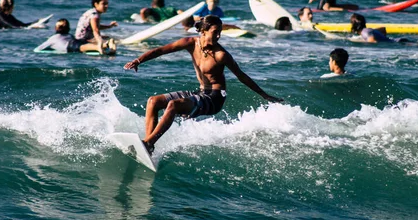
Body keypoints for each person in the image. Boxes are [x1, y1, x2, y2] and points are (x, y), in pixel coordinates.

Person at [123, 15, 282, 152]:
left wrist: (264, 95)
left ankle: (148, 143)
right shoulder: (190, 43)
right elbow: (161, 50)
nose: (218, 36)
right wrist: (139, 60)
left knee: (173, 105)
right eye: (215, 32)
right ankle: (148, 145)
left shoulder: (221, 55)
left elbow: (241, 76)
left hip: (215, 98)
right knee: (153, 101)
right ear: (203, 31)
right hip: (201, 93)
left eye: (220, 32)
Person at [350, 13, 418, 46]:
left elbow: (373, 41)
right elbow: (383, 29)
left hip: (399, 43)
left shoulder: (365, 32)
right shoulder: (368, 30)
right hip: (399, 40)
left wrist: (365, 43)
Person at [35, 19, 116, 55]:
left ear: (56, 28)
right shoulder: (69, 35)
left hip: (69, 45)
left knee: (82, 47)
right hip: (76, 39)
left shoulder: (53, 37)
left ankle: (98, 48)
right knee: (85, 43)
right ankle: (107, 44)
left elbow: (38, 49)